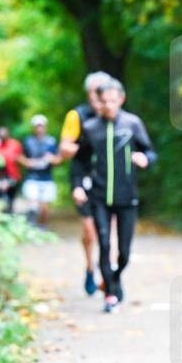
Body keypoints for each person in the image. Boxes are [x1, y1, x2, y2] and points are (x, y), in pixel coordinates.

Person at [71, 79, 157, 313]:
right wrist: (77, 186)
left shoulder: (132, 124)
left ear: (121, 99)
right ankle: (109, 293)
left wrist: (145, 159)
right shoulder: (90, 128)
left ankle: (116, 277)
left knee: (125, 252)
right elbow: (79, 162)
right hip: (98, 197)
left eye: (113, 100)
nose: (108, 105)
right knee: (104, 244)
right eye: (104, 101)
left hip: (126, 196)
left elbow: (150, 151)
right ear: (98, 102)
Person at [60, 72, 112, 295]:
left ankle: (108, 274)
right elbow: (64, 150)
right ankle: (90, 267)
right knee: (90, 232)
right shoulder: (77, 116)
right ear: (88, 93)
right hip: (83, 178)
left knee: (110, 232)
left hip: (108, 179)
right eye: (94, 91)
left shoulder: (113, 115)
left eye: (103, 90)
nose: (98, 96)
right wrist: (89, 146)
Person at [21, 114, 60, 226]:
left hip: (47, 178)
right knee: (32, 205)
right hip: (32, 177)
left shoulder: (51, 141)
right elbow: (20, 156)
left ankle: (42, 227)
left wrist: (52, 159)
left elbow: (58, 159)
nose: (39, 128)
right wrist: (28, 162)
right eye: (37, 126)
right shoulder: (28, 141)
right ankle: (31, 226)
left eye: (41, 126)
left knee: (44, 208)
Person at [0, 126, 24, 214]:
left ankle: (10, 216)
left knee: (11, 200)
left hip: (12, 176)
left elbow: (20, 159)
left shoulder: (15, 144)